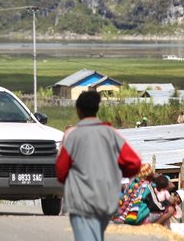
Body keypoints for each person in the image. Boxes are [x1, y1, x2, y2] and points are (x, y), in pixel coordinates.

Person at [56, 91, 142, 241]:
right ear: (97, 109)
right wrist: (116, 174)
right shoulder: (111, 134)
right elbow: (134, 162)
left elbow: (61, 170)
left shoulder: (73, 135)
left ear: (78, 110)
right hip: (105, 199)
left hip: (81, 200)